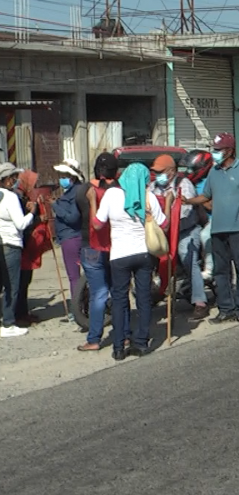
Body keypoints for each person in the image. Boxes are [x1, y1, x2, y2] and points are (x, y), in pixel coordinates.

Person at [184, 133, 239, 324]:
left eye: (218, 150)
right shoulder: (214, 172)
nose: (215, 153)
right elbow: (206, 196)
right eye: (214, 150)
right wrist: (188, 200)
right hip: (218, 229)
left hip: (238, 228)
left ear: (230, 150)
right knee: (220, 271)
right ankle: (226, 309)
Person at [91, 162, 167, 360]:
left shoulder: (111, 195)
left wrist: (92, 202)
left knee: (119, 300)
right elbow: (165, 225)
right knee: (143, 298)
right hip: (143, 254)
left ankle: (118, 347)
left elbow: (98, 225)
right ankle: (141, 343)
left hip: (119, 256)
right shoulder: (149, 197)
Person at [149, 154, 208, 320]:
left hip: (185, 230)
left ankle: (200, 302)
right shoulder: (153, 187)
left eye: (160, 171)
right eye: (155, 172)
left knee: (187, 257)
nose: (157, 175)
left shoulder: (184, 185)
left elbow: (184, 211)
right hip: (161, 232)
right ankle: (156, 292)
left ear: (172, 171)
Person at [76, 153, 123, 352]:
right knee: (118, 291)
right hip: (115, 246)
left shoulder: (84, 191)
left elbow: (79, 213)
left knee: (98, 293)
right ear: (116, 172)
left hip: (90, 246)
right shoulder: (120, 191)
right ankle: (125, 334)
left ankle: (94, 339)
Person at [0, 162, 35, 338]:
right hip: (12, 245)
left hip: (1, 242)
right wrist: (32, 213)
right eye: (13, 177)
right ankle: (8, 323)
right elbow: (20, 224)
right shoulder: (11, 198)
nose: (15, 180)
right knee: (11, 286)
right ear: (6, 180)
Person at [15, 169, 50, 327]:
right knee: (20, 283)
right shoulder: (15, 198)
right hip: (20, 246)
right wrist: (37, 218)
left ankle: (24, 312)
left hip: (26, 247)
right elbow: (23, 224)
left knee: (25, 281)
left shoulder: (23, 197)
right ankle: (18, 315)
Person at [52, 159, 85, 313]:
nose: (61, 178)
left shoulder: (77, 193)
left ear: (71, 177)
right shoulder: (74, 191)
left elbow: (73, 217)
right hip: (72, 238)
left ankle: (77, 310)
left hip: (72, 238)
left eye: (64, 175)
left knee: (74, 277)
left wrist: (55, 206)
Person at [179, 150, 214, 280]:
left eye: (192, 168)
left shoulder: (212, 181)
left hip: (212, 219)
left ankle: (209, 270)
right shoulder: (192, 182)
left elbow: (212, 206)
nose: (189, 171)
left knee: (205, 235)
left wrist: (198, 200)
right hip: (195, 219)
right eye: (187, 168)